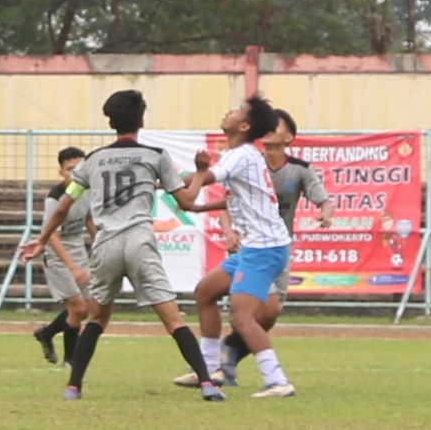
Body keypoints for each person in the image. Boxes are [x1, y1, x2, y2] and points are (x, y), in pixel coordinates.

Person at [19, 89, 225, 402]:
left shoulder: (93, 160)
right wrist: (199, 172)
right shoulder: (155, 155)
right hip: (139, 240)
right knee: (173, 320)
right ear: (141, 121)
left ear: (110, 122)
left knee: (97, 319)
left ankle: (73, 387)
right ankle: (207, 384)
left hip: (106, 243)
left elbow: (63, 206)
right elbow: (186, 202)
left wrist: (42, 238)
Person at [174, 107, 333, 387]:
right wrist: (167, 183)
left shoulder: (250, 157)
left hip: (266, 246)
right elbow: (225, 195)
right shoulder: (244, 155)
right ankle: (211, 369)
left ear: (246, 126)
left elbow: (203, 181)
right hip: (257, 245)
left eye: (238, 111)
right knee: (206, 292)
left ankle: (275, 380)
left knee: (248, 317)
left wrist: (185, 180)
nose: (229, 111)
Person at [32, 147, 96, 368]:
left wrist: (99, 243)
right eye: (70, 169)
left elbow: (88, 218)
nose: (75, 173)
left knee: (86, 308)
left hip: (78, 249)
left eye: (79, 168)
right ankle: (70, 360)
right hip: (57, 255)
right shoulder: (55, 198)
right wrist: (72, 267)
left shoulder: (86, 190)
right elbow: (52, 236)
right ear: (61, 172)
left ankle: (47, 333)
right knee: (78, 308)